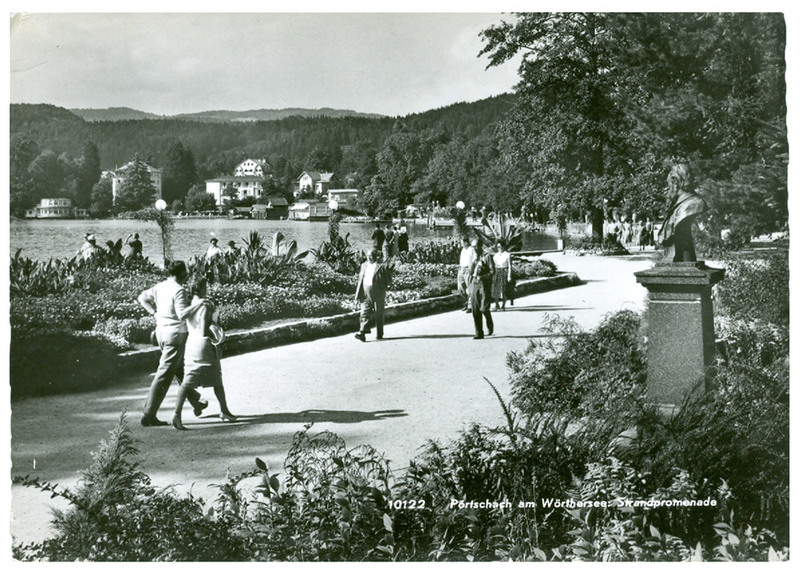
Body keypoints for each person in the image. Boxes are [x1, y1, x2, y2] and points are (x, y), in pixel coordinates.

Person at [137, 260, 209, 427]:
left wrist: (153, 312)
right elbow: (182, 314)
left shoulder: (160, 286)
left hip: (161, 333)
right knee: (164, 374)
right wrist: (199, 303)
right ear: (182, 273)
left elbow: (141, 297)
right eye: (186, 272)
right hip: (175, 335)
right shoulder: (179, 290)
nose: (188, 275)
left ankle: (196, 401)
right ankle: (149, 414)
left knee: (178, 370)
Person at [171, 276, 236, 430]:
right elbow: (203, 330)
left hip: (191, 345)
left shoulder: (191, 303)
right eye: (205, 286)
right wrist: (218, 335)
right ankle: (224, 411)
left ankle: (176, 414)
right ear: (201, 288)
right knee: (217, 380)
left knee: (187, 382)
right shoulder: (206, 305)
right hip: (204, 346)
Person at [658, 163, 707, 262]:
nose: (668, 187)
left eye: (669, 183)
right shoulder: (678, 204)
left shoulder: (694, 203)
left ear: (675, 181)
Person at [354, 249, 391, 342]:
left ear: (376, 256)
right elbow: (360, 280)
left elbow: (388, 280)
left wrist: (382, 288)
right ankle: (362, 333)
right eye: (367, 255)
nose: (369, 257)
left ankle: (379, 333)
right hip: (365, 292)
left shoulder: (382, 266)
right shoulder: (364, 265)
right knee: (364, 312)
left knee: (379, 312)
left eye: (371, 255)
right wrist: (357, 294)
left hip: (378, 292)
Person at [468, 240, 495, 339]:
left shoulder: (487, 256)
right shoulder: (473, 257)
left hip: (484, 284)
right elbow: (470, 272)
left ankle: (489, 322)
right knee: (475, 309)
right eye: (472, 247)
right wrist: (473, 261)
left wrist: (483, 277)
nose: (474, 249)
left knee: (483, 308)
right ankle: (479, 332)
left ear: (480, 246)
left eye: (475, 246)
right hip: (475, 283)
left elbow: (492, 271)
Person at [491, 241, 513, 311]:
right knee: (495, 289)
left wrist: (509, 276)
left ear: (504, 246)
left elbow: (510, 265)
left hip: (504, 271)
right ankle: (496, 304)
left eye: (500, 246)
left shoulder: (507, 255)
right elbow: (494, 265)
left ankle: (503, 305)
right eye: (498, 247)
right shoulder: (496, 255)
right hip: (497, 272)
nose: (499, 248)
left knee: (504, 289)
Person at [457, 237, 475, 312]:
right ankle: (465, 303)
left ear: (466, 242)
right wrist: (460, 269)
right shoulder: (463, 250)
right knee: (461, 288)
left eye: (462, 242)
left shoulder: (471, 249)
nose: (461, 244)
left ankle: (470, 306)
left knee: (469, 288)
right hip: (461, 269)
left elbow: (474, 260)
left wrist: (471, 269)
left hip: (468, 269)